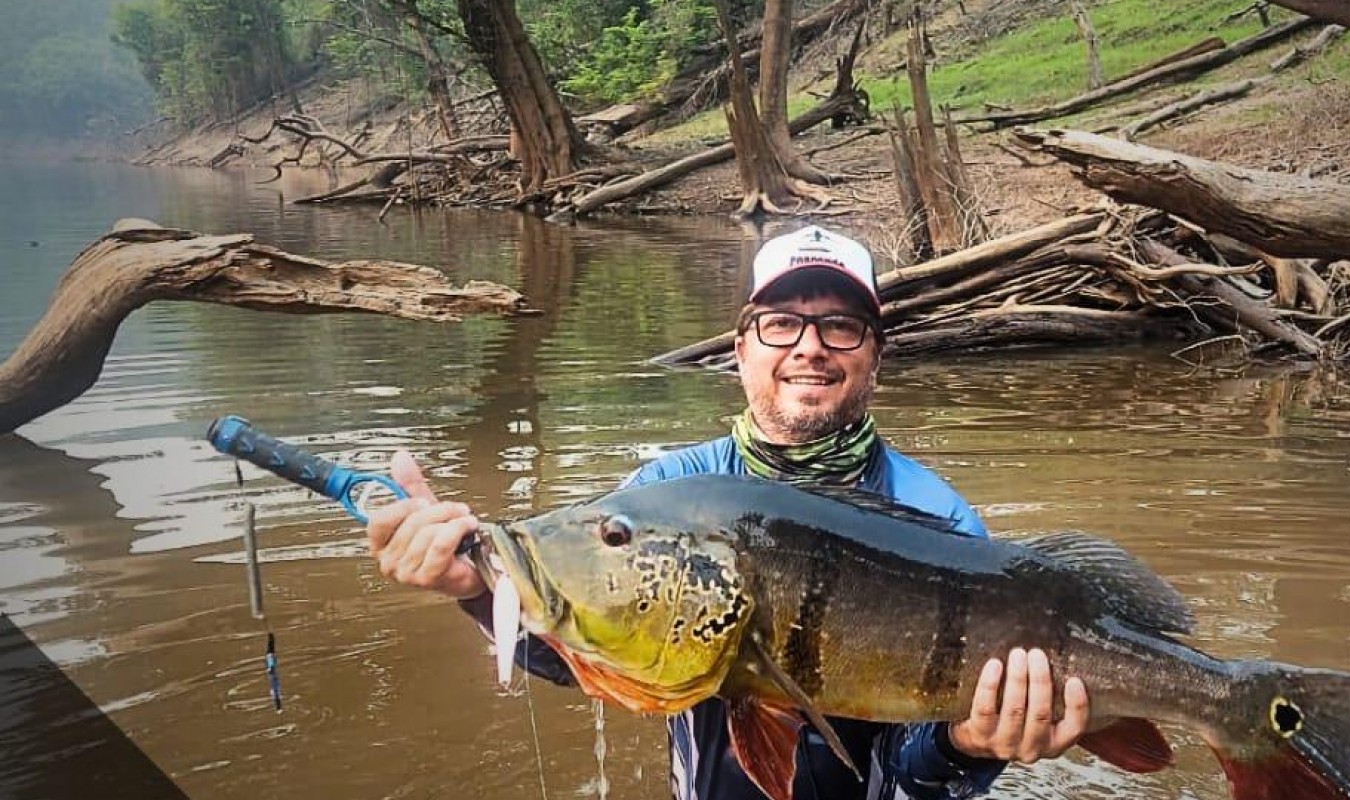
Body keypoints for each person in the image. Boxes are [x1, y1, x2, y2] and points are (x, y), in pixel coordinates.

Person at [366, 225, 1091, 800]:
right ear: (741, 350)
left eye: (840, 326)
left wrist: (967, 745)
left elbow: (920, 780)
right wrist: (478, 590)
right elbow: (596, 647)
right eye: (781, 323)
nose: (810, 347)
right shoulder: (668, 490)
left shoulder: (941, 519)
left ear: (876, 355)